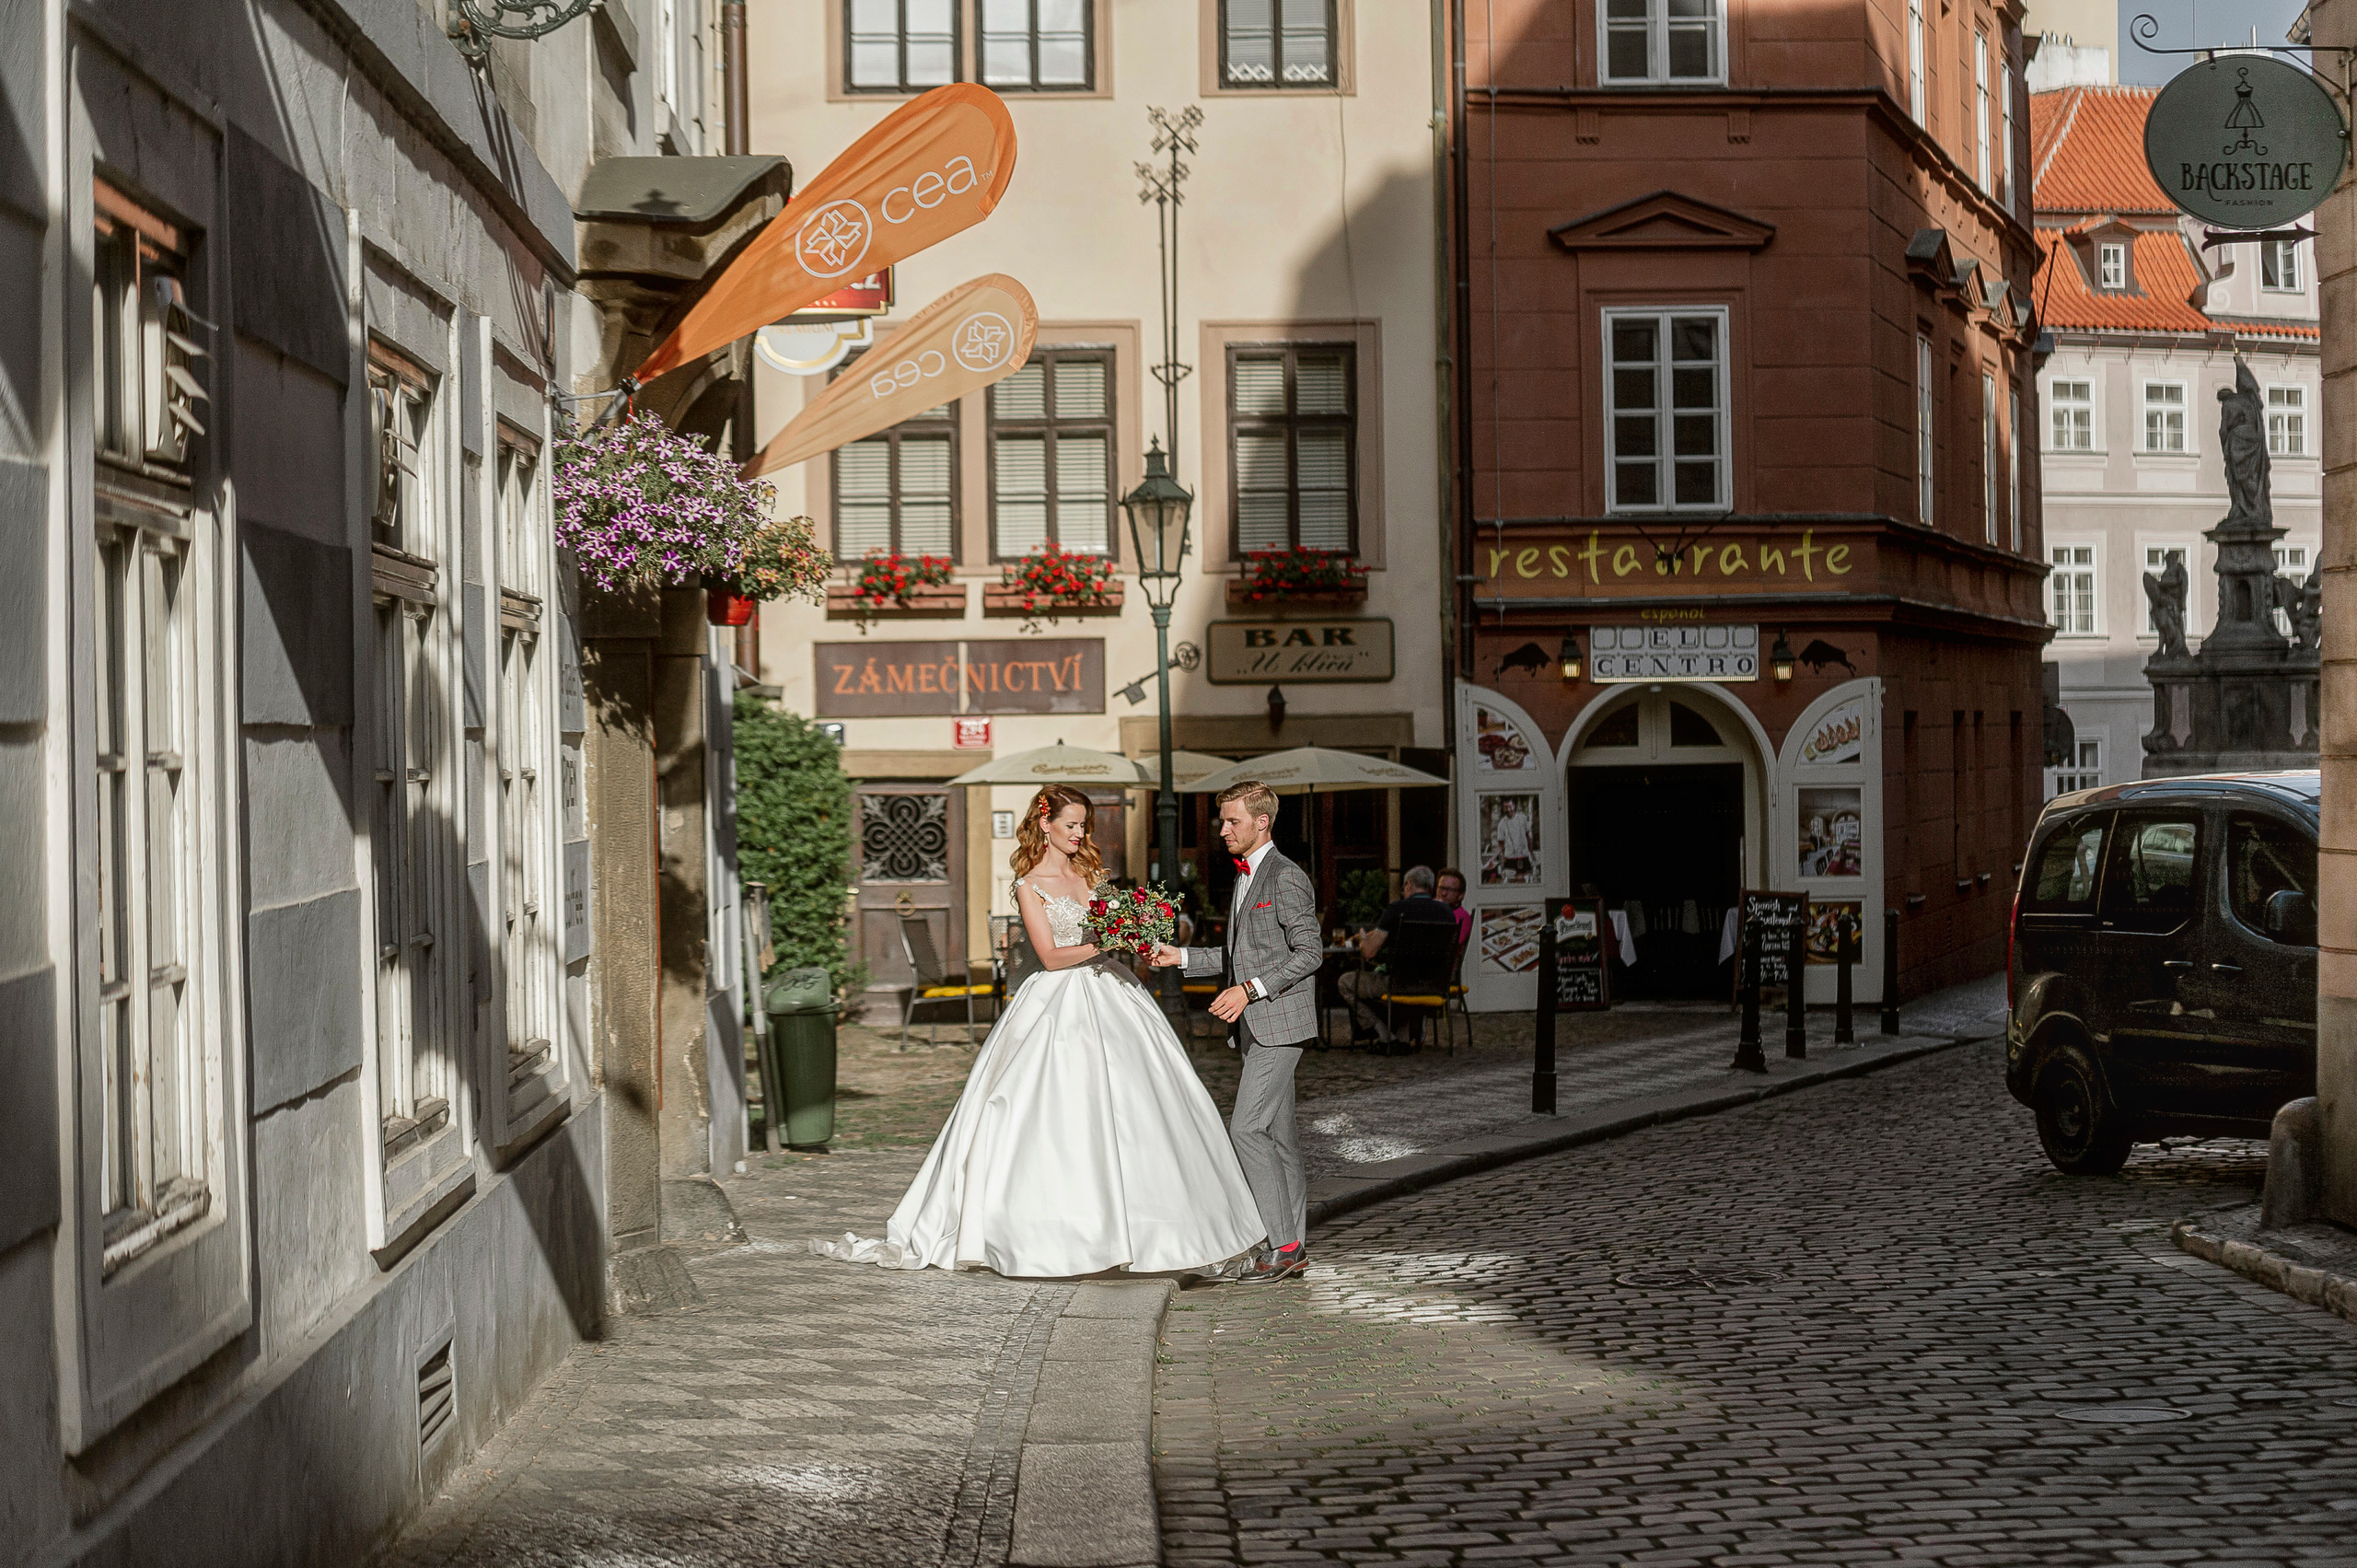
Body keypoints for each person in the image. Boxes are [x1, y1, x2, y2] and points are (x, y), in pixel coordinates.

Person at [816, 784, 1265, 1278]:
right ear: (1045, 824)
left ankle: (1166, 1226)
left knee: (1144, 1104)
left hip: (1113, 994)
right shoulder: (1030, 885)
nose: (1079, 834)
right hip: (1059, 1000)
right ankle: (1055, 1231)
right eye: (1071, 825)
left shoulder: (1092, 875)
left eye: (1083, 826)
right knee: (1050, 1110)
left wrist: (1135, 935)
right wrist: (1110, 941)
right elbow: (1051, 957)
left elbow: (1109, 932)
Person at [1149, 782, 1324, 1283]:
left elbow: (1309, 955)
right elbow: (1238, 957)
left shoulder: (1286, 877)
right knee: (1281, 1140)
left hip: (1280, 1026)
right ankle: (1295, 1247)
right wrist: (1180, 957)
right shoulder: (1247, 877)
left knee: (1246, 1129)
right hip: (1257, 1027)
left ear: (1262, 822)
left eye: (1232, 822)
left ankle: (1283, 1246)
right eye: (1222, 821)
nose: (1223, 830)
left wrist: (1249, 990)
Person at [1338, 865, 1458, 1048]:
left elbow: (1370, 952)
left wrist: (1363, 939)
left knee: (1345, 982)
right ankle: (1402, 1036)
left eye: (1403, 888)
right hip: (1434, 985)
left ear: (1408, 885)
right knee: (1409, 976)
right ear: (1430, 888)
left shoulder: (1397, 909)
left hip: (1398, 984)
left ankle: (1383, 1032)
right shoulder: (1447, 913)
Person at [1435, 867, 1473, 947]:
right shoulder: (1429, 907)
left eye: (1449, 889)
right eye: (1441, 888)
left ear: (1460, 895)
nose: (1444, 893)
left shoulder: (1463, 917)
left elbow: (1451, 945)